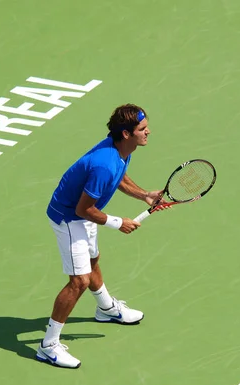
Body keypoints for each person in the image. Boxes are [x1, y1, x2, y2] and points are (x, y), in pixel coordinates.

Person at [36, 104, 164, 369]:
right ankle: (48, 346)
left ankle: (105, 309)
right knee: (79, 281)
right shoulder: (103, 164)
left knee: (93, 259)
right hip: (70, 218)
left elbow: (120, 176)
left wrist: (144, 195)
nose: (148, 131)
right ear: (127, 134)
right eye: (142, 129)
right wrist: (119, 223)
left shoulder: (120, 150)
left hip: (85, 214)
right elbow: (82, 209)